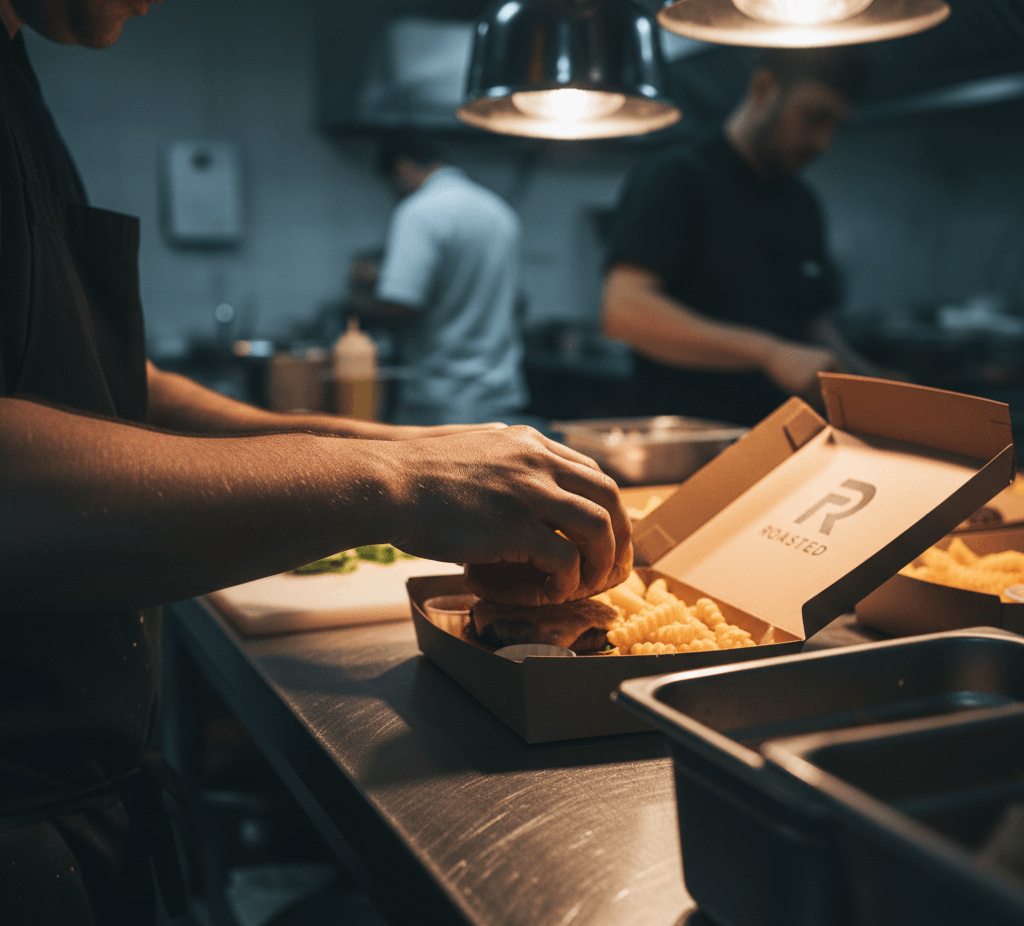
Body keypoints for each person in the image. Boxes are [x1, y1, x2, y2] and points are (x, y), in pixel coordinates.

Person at [0, 3, 630, 924]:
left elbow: (103, 381)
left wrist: (381, 446)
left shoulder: (20, 74)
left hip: (81, 789)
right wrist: (394, 482)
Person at [602, 47, 890, 427]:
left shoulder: (802, 202)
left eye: (834, 125)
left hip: (788, 443)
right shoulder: (678, 177)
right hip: (690, 443)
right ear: (764, 86)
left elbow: (810, 322)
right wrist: (768, 352)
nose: (823, 142)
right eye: (815, 117)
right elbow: (624, 311)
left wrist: (870, 381)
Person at [350, 130, 530, 426]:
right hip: (499, 396)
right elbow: (513, 300)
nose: (396, 192)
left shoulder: (419, 212)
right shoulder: (499, 212)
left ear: (403, 168)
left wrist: (358, 305)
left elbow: (401, 307)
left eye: (393, 183)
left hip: (440, 401)